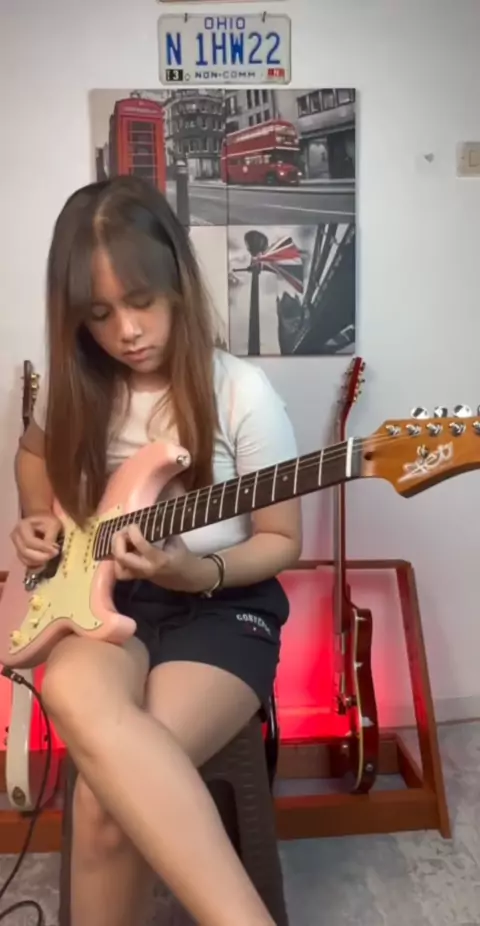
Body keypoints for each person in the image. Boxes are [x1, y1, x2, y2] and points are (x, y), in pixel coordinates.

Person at [11, 175, 302, 926]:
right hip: (107, 601)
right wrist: (37, 517)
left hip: (222, 608)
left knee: (108, 803)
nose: (127, 331)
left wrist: (193, 569)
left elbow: (281, 540)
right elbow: (33, 455)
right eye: (99, 314)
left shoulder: (240, 391)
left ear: (176, 280)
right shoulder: (76, 389)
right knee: (69, 690)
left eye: (141, 301)